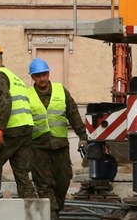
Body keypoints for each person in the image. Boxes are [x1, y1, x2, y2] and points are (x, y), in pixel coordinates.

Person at [26, 58, 89, 219]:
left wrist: (82, 136)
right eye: (38, 76)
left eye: (44, 74)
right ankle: (52, 214)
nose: (42, 79)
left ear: (48, 74)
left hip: (60, 146)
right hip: (38, 148)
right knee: (44, 184)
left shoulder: (61, 91)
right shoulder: (27, 96)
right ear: (33, 77)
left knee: (63, 180)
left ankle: (56, 209)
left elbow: (73, 113)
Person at [0, 43, 37, 200]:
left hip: (10, 129)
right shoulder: (15, 77)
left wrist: (0, 129)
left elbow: (5, 101)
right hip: (25, 130)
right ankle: (31, 210)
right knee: (22, 173)